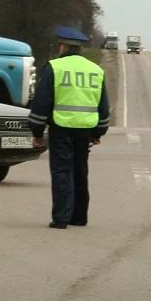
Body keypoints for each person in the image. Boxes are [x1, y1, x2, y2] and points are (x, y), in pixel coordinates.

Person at [28, 26, 110, 229]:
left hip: (62, 127)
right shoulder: (95, 70)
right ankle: (79, 216)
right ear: (80, 48)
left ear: (62, 46)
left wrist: (37, 131)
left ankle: (61, 218)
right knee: (80, 171)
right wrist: (99, 132)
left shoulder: (55, 67)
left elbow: (42, 101)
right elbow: (103, 105)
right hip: (85, 130)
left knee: (62, 172)